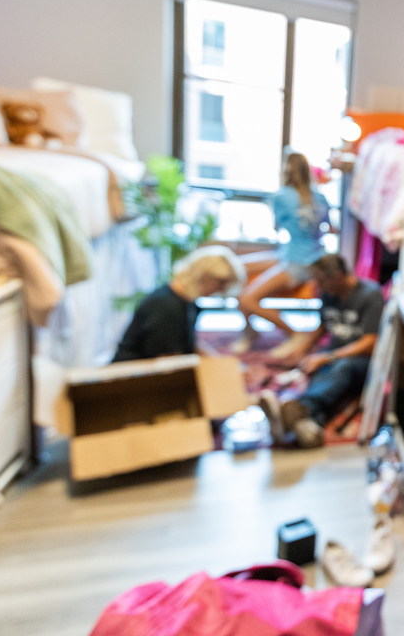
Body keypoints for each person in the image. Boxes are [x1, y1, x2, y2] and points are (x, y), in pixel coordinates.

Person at [260, 254, 385, 447]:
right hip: (335, 352)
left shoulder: (370, 295)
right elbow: (323, 326)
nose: (316, 286)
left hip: (362, 359)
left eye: (319, 281)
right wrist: (303, 350)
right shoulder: (329, 293)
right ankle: (308, 426)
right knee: (315, 366)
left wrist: (327, 357)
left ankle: (303, 410)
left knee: (341, 367)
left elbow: (370, 342)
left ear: (335, 277)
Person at [234, 150, 331, 355]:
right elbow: (329, 228)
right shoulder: (321, 197)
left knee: (246, 299)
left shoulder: (281, 197)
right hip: (308, 255)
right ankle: (250, 332)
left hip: (298, 262)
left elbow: (277, 227)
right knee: (237, 268)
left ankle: (295, 334)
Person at [113, 245, 246, 362]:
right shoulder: (166, 306)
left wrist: (220, 363)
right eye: (221, 283)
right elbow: (169, 362)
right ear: (203, 276)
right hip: (129, 376)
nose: (221, 290)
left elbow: (188, 345)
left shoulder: (186, 302)